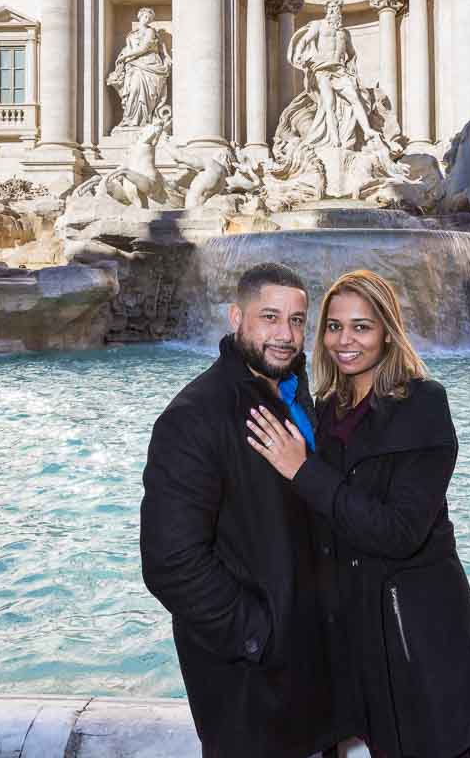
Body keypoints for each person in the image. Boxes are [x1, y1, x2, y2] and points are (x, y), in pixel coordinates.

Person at [247, 270, 470, 758]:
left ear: (387, 330)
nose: (345, 341)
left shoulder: (423, 403)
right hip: (355, 639)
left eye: (361, 327)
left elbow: (400, 531)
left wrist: (304, 472)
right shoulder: (327, 406)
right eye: (334, 327)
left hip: (415, 639)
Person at [140, 262, 337, 758]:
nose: (286, 335)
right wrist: (259, 636)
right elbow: (170, 562)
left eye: (296, 320)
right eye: (269, 317)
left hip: (314, 669)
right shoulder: (194, 417)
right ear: (236, 317)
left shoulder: (293, 394)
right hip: (250, 683)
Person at [288, 0, 379, 148]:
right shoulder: (319, 25)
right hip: (322, 71)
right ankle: (334, 138)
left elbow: (352, 53)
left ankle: (367, 130)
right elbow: (304, 41)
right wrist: (299, 54)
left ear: (340, 11)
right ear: (326, 10)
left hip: (339, 70)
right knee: (328, 104)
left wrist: (351, 68)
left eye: (336, 8)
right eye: (330, 8)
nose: (333, 11)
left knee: (354, 98)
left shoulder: (344, 33)